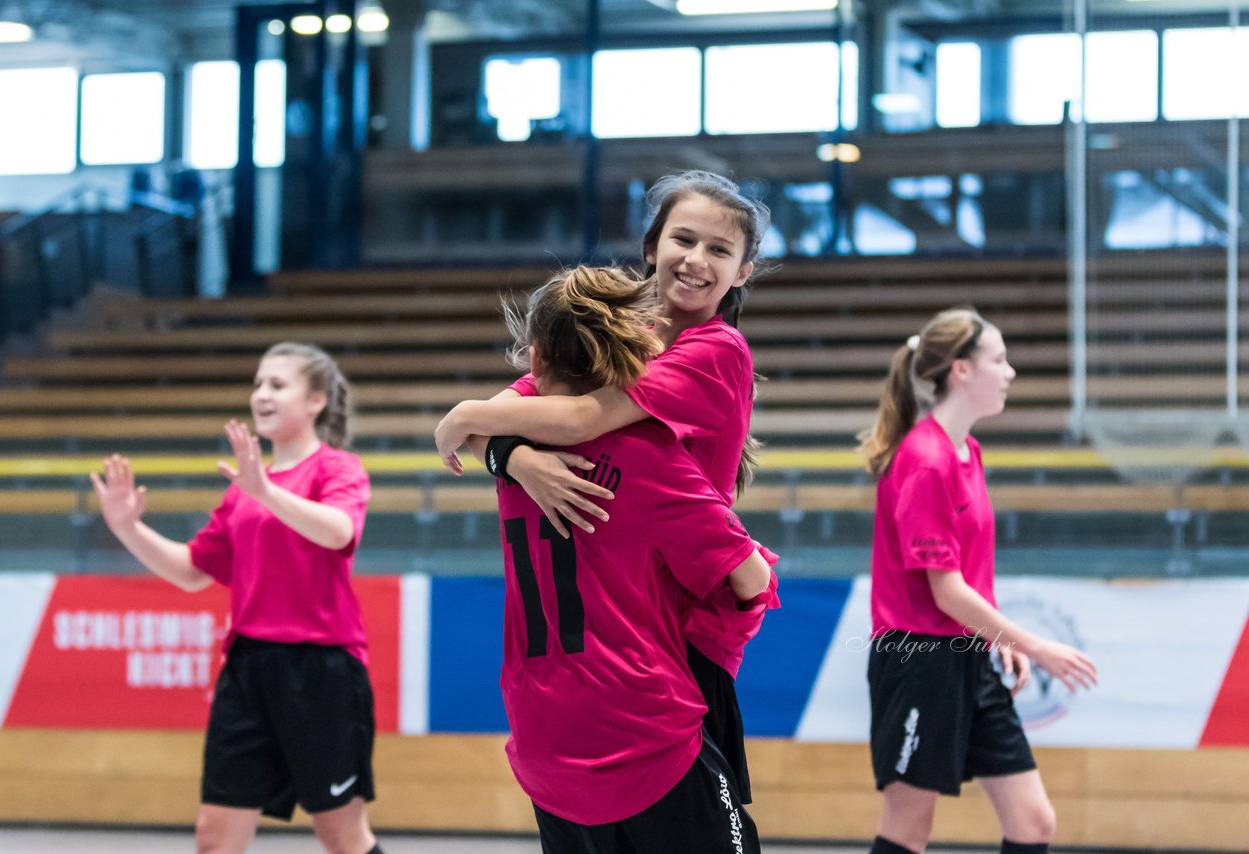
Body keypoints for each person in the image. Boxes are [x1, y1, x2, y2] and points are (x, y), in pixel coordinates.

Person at [435, 170, 776, 803]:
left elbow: (581, 418)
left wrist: (464, 416)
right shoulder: (609, 336)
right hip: (619, 611)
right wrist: (511, 460)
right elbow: (513, 415)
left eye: (720, 250)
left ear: (743, 272)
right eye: (684, 239)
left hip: (687, 618)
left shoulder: (717, 349)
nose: (697, 260)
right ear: (651, 247)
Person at [492, 265, 774, 853]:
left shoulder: (514, 456)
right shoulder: (649, 455)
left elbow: (511, 415)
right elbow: (750, 579)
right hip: (641, 731)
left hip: (541, 736)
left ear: (536, 359)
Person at [91, 342, 384, 854]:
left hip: (321, 671)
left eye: (277, 384)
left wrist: (265, 491)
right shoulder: (242, 491)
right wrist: (128, 528)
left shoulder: (337, 469)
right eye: (257, 384)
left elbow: (339, 532)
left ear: (315, 400)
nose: (261, 394)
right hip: (247, 669)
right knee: (214, 837)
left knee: (341, 837)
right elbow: (190, 572)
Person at [857, 309, 1098, 854]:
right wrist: (1031, 645)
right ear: (961, 371)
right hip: (918, 663)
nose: (1010, 372)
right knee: (908, 827)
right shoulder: (924, 459)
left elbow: (967, 577)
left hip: (968, 655)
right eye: (999, 360)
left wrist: (996, 639)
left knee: (1033, 822)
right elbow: (946, 590)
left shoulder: (969, 452)